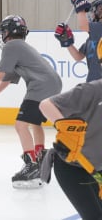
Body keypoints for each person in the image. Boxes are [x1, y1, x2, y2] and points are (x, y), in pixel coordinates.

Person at [0, 15, 62, 189]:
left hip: (40, 86)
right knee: (34, 123)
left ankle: (31, 165)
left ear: (9, 32)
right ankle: (39, 160)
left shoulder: (11, 46)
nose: (3, 34)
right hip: (53, 84)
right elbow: (6, 81)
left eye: (4, 31)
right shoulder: (21, 48)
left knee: (20, 124)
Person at [39, 80, 102, 219]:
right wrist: (67, 132)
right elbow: (46, 105)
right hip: (73, 167)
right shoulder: (93, 90)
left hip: (97, 168)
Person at [54, 0, 102, 83]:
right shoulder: (91, 38)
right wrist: (67, 41)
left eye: (94, 10)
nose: (92, 13)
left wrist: (80, 7)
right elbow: (78, 56)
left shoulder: (100, 29)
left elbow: (83, 26)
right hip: (92, 84)